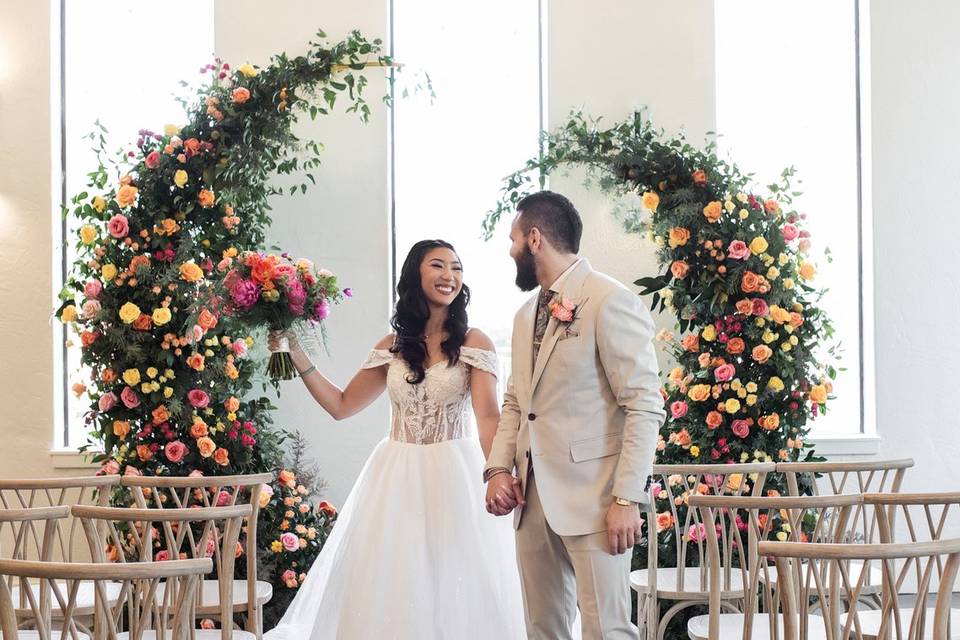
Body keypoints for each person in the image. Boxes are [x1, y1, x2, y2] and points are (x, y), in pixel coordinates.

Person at [265, 239, 526, 639]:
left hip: (455, 473)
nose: (449, 276)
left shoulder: (475, 342)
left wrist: (497, 471)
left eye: (456, 268)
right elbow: (340, 405)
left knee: (457, 578)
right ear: (414, 276)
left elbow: (488, 415)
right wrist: (296, 351)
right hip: (395, 476)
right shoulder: (391, 346)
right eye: (437, 266)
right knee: (396, 579)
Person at [484, 191, 666, 639]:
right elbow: (515, 403)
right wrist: (497, 468)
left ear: (534, 238)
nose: (509, 250)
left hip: (597, 501)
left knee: (606, 630)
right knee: (542, 628)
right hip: (531, 501)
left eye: (512, 239)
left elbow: (644, 404)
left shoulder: (608, 300)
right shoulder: (526, 314)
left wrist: (627, 498)